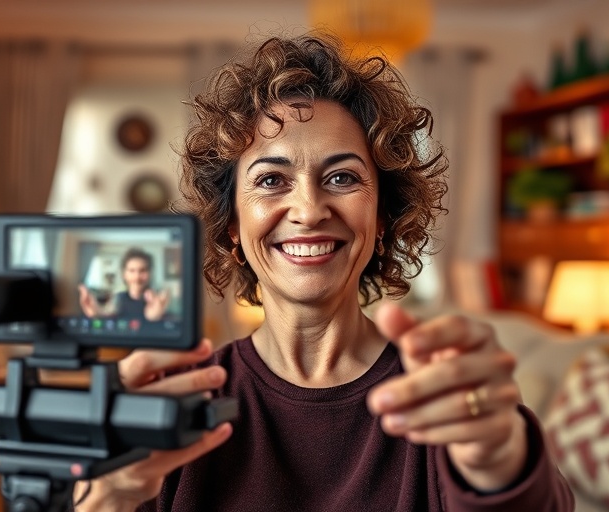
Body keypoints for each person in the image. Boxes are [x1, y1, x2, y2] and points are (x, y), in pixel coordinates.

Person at [78, 33, 574, 511]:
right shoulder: (177, 401)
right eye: (271, 180)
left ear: (382, 216)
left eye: (341, 177)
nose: (309, 209)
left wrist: (500, 457)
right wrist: (107, 497)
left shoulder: (444, 395)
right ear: (231, 224)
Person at [78, 248, 171, 322]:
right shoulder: (118, 298)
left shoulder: (158, 300)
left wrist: (157, 319)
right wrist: (96, 313)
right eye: (132, 271)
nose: (137, 276)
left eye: (142, 270)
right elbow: (106, 316)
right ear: (124, 274)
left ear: (150, 273)